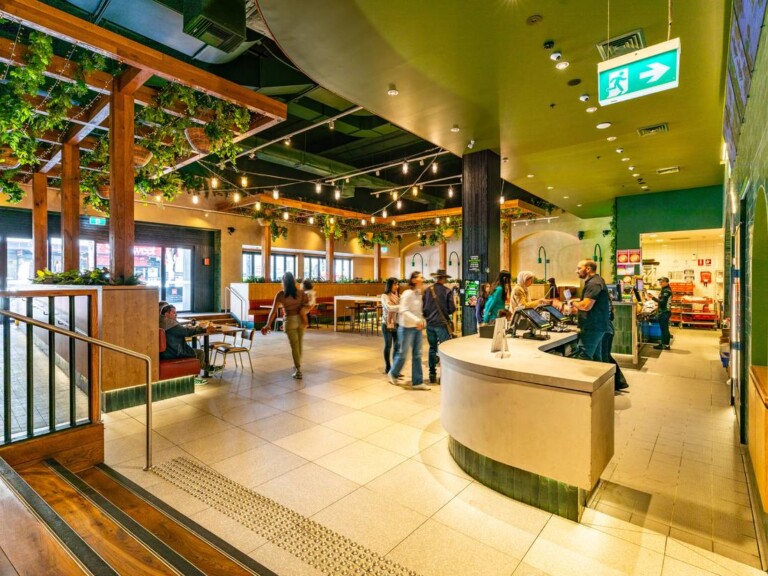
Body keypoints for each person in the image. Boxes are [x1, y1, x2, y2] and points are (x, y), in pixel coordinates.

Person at [261, 272, 309, 379]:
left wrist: (268, 324)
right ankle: (297, 365)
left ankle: (298, 369)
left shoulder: (281, 294)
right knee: (299, 344)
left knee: (294, 346)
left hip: (289, 321)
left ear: (283, 282)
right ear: (294, 281)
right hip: (300, 320)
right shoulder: (301, 293)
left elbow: (273, 311)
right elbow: (306, 306)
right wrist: (305, 318)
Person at [388, 271, 430, 390]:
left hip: (416, 328)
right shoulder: (407, 294)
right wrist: (417, 320)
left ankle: (417, 382)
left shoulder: (418, 294)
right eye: (420, 277)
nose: (422, 279)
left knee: (417, 354)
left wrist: (421, 321)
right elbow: (403, 310)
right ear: (413, 280)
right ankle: (393, 373)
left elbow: (419, 312)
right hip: (405, 328)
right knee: (403, 354)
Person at [566, 259, 610, 361]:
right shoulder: (597, 280)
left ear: (588, 269)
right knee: (595, 358)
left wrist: (572, 303)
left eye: (579, 268)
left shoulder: (593, 283)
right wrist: (576, 301)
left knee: (583, 357)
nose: (576, 271)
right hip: (597, 326)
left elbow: (586, 306)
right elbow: (591, 301)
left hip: (592, 327)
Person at [422, 269, 456, 384]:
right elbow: (451, 309)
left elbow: (423, 309)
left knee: (432, 348)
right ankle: (444, 375)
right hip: (442, 324)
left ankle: (432, 374)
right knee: (444, 349)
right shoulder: (447, 291)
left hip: (430, 324)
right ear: (443, 278)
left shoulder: (427, 291)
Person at [159, 304, 214, 369]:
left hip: (165, 352)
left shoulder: (161, 321)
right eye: (174, 313)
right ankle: (203, 370)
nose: (176, 315)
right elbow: (187, 332)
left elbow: (181, 329)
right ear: (166, 314)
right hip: (174, 352)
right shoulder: (170, 324)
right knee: (200, 353)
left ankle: (205, 368)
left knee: (196, 352)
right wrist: (204, 329)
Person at [381, 277, 400, 375]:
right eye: (395, 284)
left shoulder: (398, 296)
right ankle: (388, 367)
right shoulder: (384, 296)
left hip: (397, 324)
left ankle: (395, 369)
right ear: (389, 285)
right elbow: (389, 308)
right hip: (386, 324)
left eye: (397, 284)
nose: (397, 286)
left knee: (397, 347)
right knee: (388, 346)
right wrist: (401, 307)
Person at [649, 276, 673, 350]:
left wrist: (653, 297)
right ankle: (664, 344)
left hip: (664, 312)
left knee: (664, 329)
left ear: (667, 282)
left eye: (662, 281)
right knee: (664, 329)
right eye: (660, 281)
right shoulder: (664, 289)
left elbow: (662, 302)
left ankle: (666, 345)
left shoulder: (666, 291)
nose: (660, 282)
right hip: (664, 312)